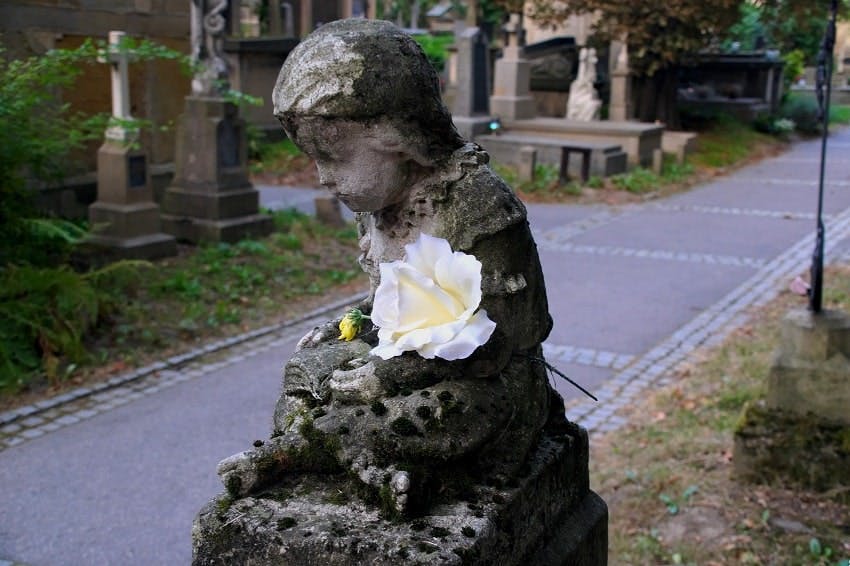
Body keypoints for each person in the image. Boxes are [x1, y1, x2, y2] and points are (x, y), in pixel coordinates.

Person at [216, 18, 563, 517]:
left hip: (486, 379)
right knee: (306, 371)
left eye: (333, 158)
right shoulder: (379, 209)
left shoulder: (478, 203)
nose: (322, 178)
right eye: (314, 160)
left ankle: (300, 451)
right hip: (401, 355)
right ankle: (368, 461)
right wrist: (352, 324)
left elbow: (512, 333)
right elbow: (399, 302)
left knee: (445, 410)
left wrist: (391, 377)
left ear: (396, 136)